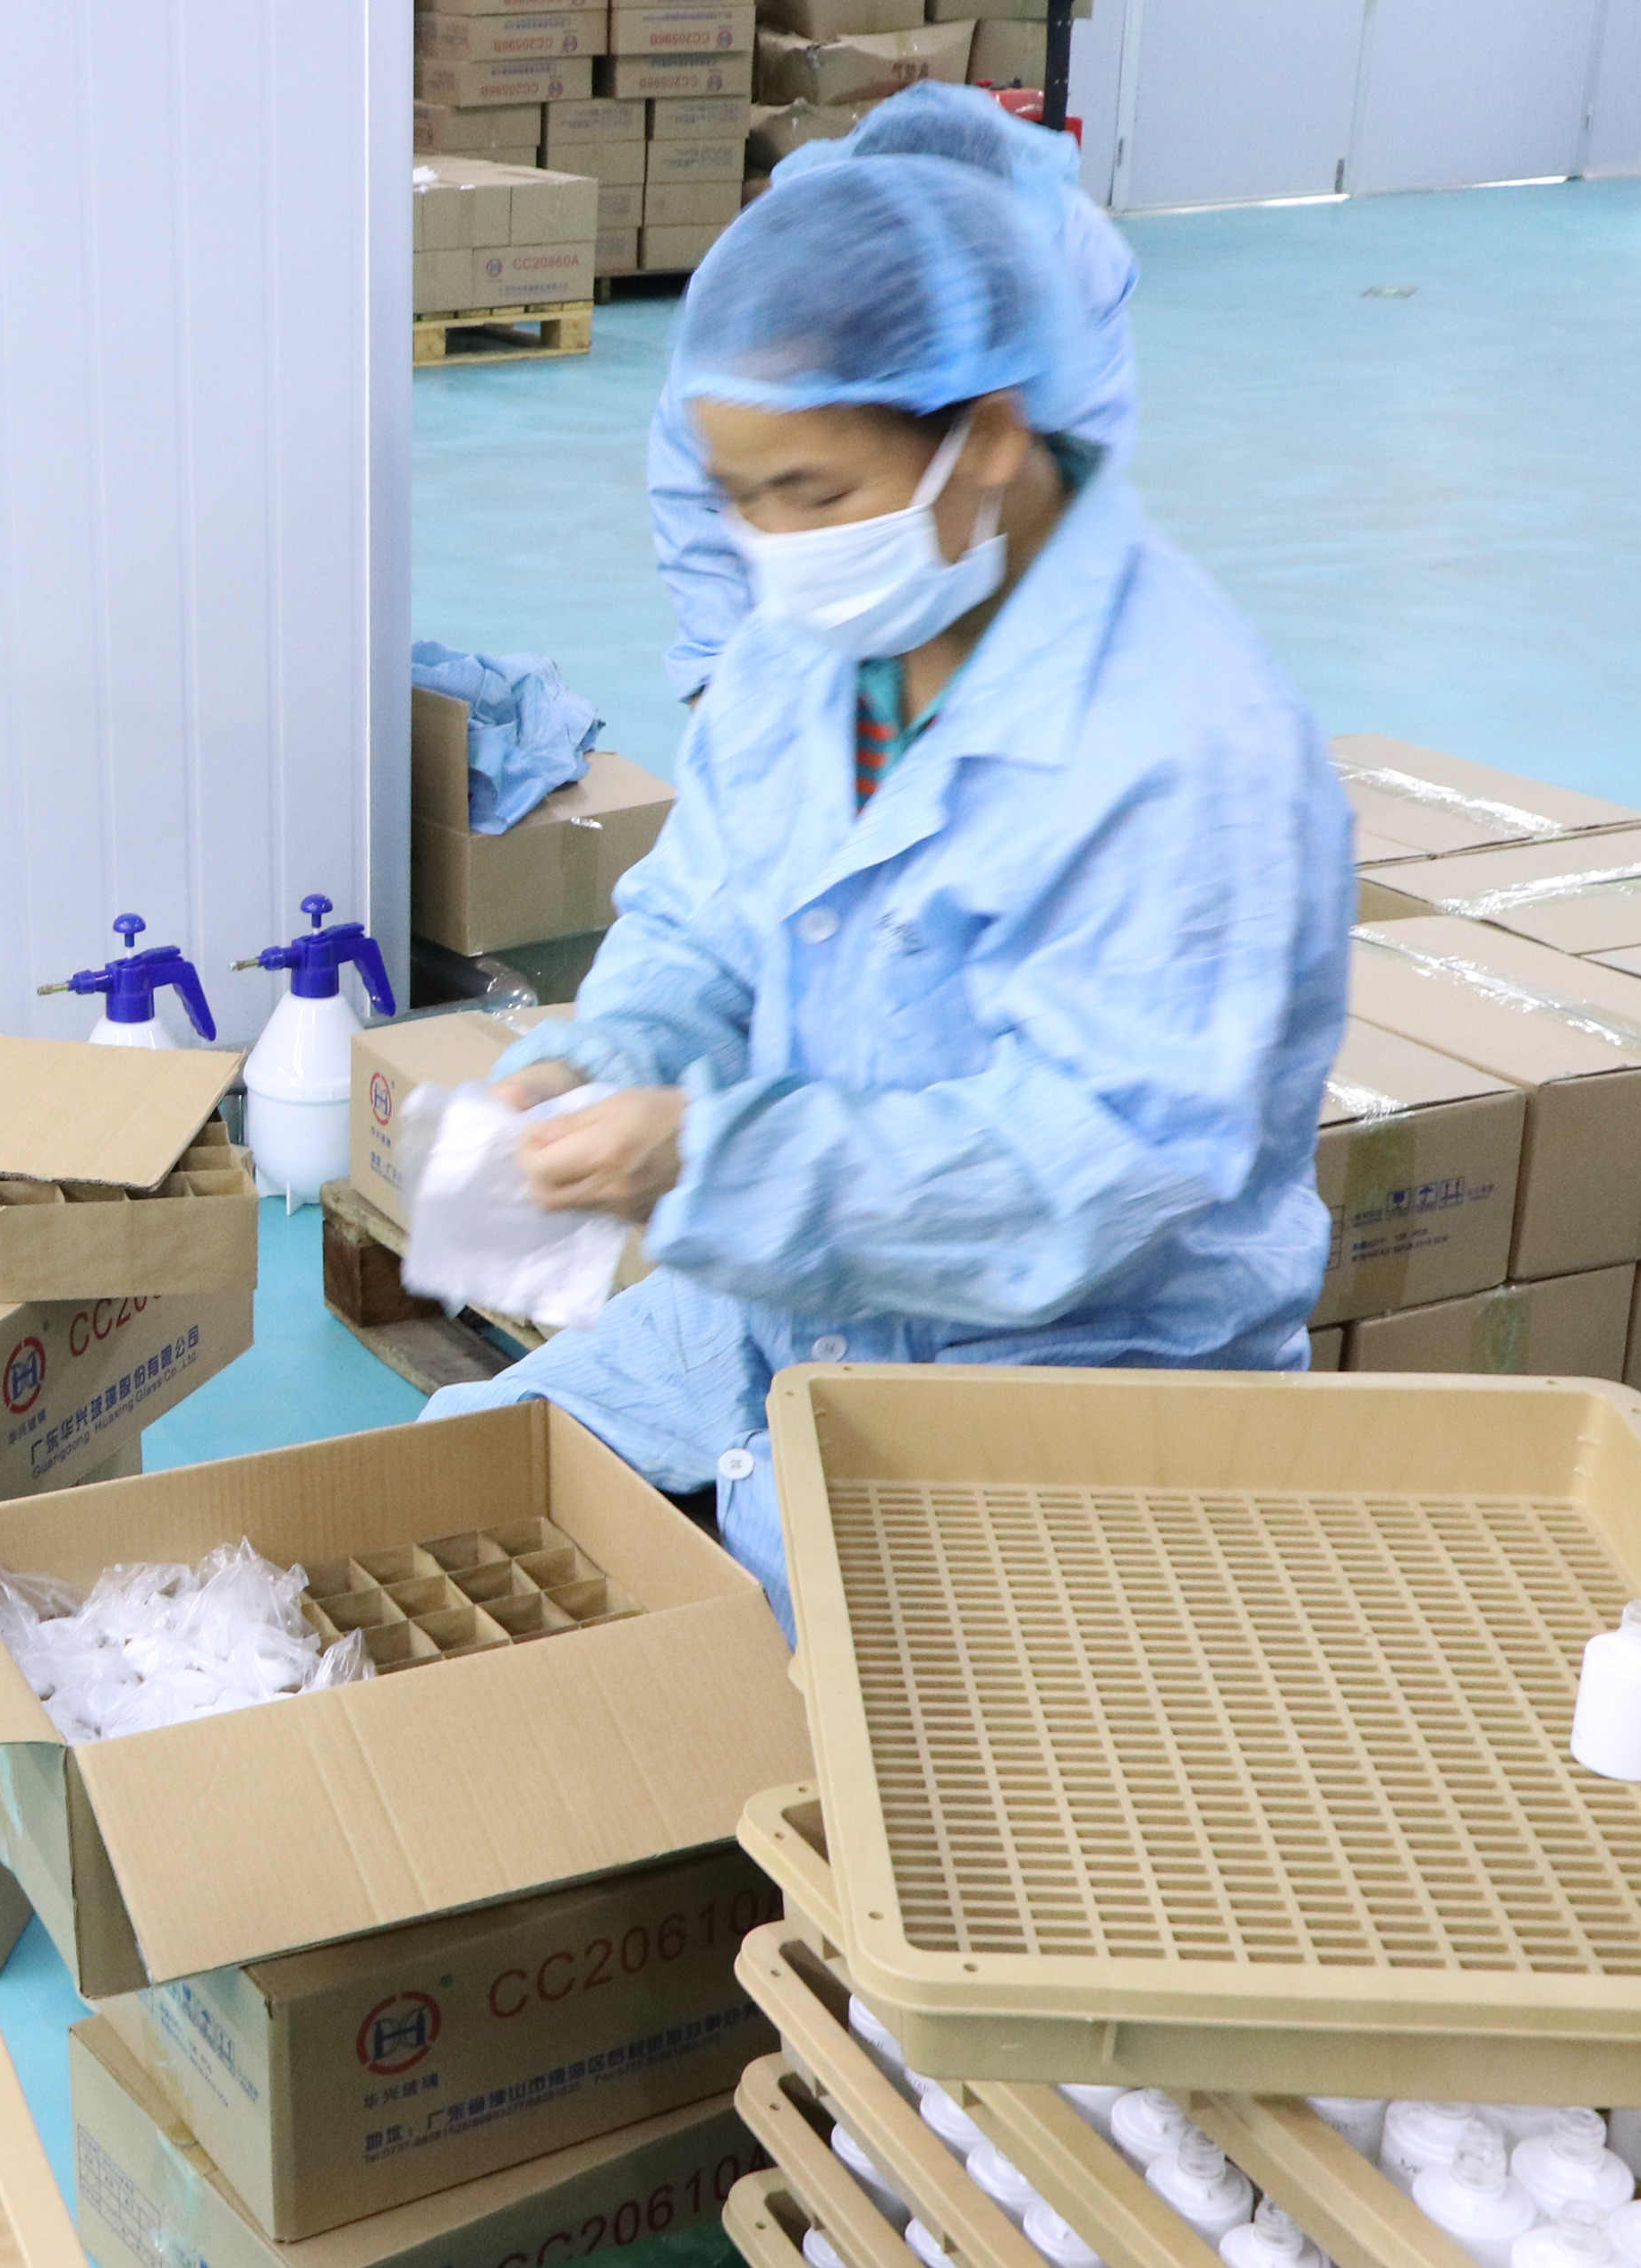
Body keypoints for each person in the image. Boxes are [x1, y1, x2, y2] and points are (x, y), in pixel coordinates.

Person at [424, 152, 1350, 1635]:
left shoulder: (1181, 747)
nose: (777, 545)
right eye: (739, 497)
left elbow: (1089, 1166)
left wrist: (710, 1162)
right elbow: (707, 918)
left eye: (814, 491)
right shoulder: (810, 652)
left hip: (1068, 1364)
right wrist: (607, 1059)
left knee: (863, 1725)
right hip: (790, 1298)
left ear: (987, 437)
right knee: (440, 1492)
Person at [648, 84, 1140, 703]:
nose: (775, 527)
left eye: (824, 496)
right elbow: (692, 468)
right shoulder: (768, 277)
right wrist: (716, 665)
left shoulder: (1071, 258)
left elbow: (1079, 457)